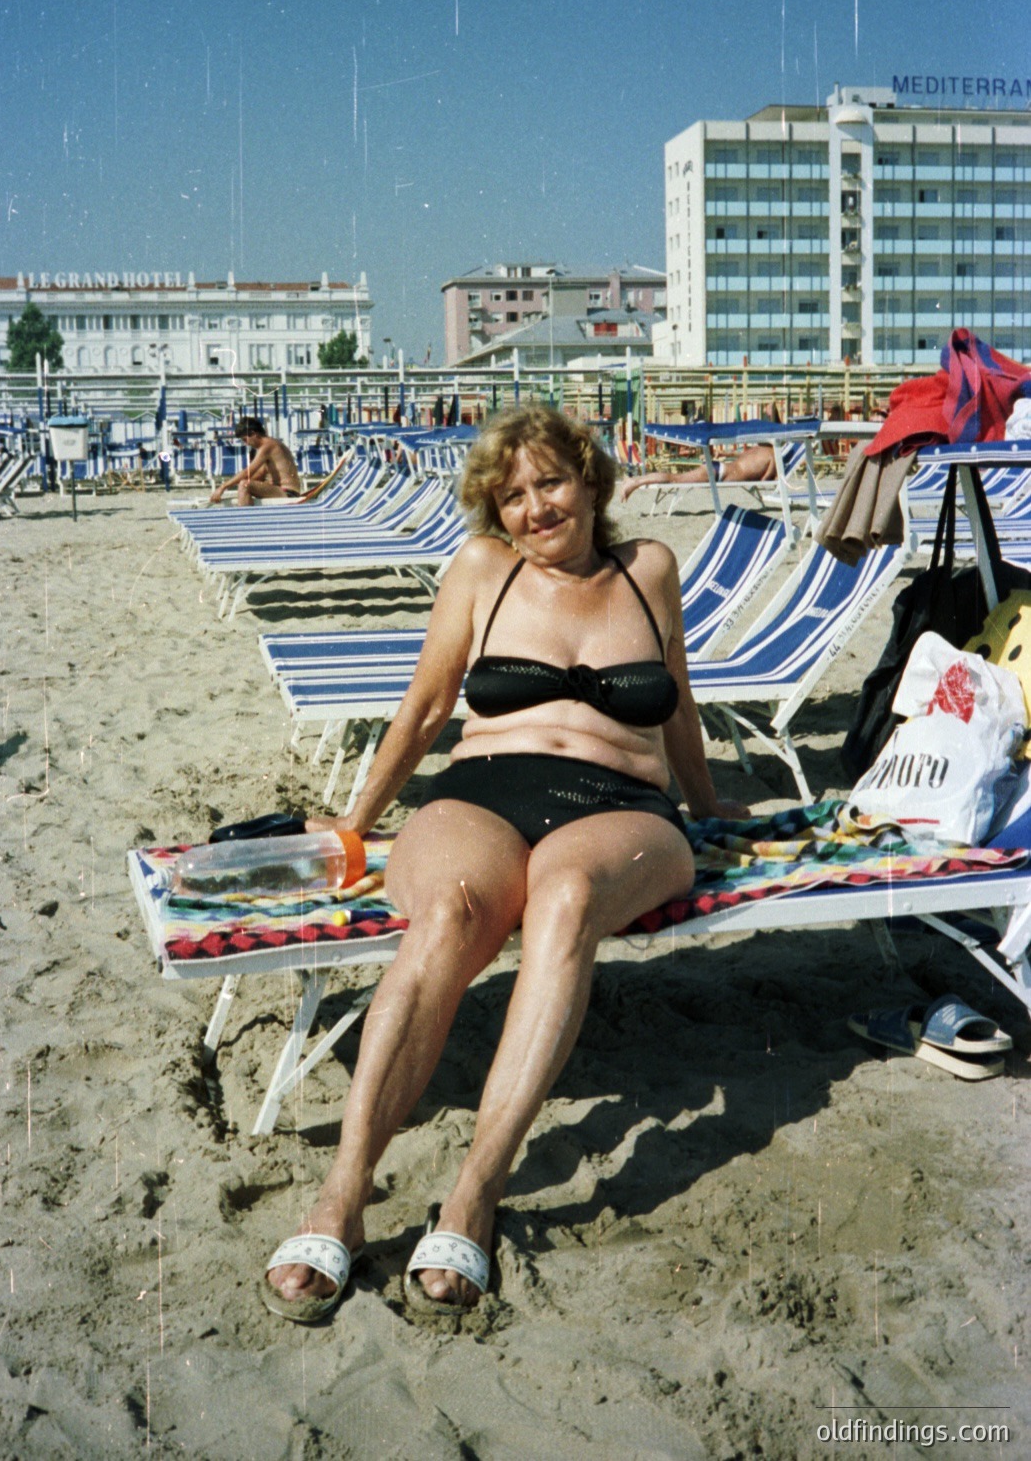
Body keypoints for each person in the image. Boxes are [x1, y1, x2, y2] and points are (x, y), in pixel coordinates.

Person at [263, 403, 744, 1324]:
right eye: (511, 495)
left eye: (549, 482)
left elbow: (675, 698)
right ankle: (343, 1194)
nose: (533, 508)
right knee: (446, 908)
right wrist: (360, 821)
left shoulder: (649, 568)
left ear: (591, 479)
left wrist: (710, 802)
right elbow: (427, 702)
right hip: (484, 789)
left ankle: (474, 1191)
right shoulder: (483, 570)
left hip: (622, 807)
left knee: (562, 899)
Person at [620, 442, 776, 499]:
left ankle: (636, 481)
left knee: (675, 477)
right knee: (674, 478)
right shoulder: (772, 455)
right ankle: (635, 482)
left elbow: (742, 457)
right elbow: (765, 480)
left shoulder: (757, 448)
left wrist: (726, 454)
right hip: (722, 474)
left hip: (720, 468)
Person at [208, 417, 301, 503]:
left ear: (253, 434)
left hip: (288, 492)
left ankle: (245, 519)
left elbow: (247, 473)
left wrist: (222, 487)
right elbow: (258, 475)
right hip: (279, 490)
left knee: (245, 485)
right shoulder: (270, 448)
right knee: (244, 484)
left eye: (245, 440)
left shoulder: (268, 446)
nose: (246, 444)